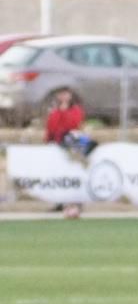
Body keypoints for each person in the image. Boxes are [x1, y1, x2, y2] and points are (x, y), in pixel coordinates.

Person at [44, 88, 88, 218]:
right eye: (60, 94)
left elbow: (74, 124)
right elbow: (51, 127)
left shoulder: (76, 110)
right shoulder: (54, 111)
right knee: (58, 174)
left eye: (65, 94)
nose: (63, 97)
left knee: (73, 173)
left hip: (72, 146)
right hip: (57, 145)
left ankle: (76, 202)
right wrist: (48, 141)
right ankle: (60, 201)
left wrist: (63, 112)